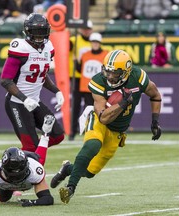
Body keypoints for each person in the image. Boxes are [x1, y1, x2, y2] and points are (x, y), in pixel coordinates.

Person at [50, 50, 162, 204]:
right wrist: (123, 102)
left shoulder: (138, 77)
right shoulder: (98, 81)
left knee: (90, 172)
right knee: (92, 145)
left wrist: (155, 121)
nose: (109, 76)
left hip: (117, 131)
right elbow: (103, 118)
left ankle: (67, 169)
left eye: (114, 73)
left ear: (126, 72)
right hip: (99, 120)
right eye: (107, 71)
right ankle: (71, 188)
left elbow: (155, 95)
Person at [0, 13, 65, 153]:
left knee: (58, 135)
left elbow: (41, 75)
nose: (40, 37)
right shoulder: (20, 47)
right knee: (31, 147)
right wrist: (24, 99)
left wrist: (56, 91)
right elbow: (5, 80)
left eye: (42, 32)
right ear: (28, 32)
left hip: (34, 101)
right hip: (16, 103)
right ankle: (16, 163)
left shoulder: (48, 48)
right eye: (36, 33)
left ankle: (27, 156)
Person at [0, 115, 55, 207]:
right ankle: (2, 188)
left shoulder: (33, 168)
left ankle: (45, 134)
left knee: (39, 160)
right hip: (7, 182)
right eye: (13, 175)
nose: (16, 179)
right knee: (3, 199)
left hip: (30, 160)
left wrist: (32, 202)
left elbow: (47, 198)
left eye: (18, 174)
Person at [68, 20, 93, 141]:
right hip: (76, 77)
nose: (86, 31)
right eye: (84, 29)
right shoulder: (74, 40)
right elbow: (66, 47)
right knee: (76, 105)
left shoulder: (93, 43)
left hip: (88, 78)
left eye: (88, 29)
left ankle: (87, 130)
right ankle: (72, 131)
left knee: (89, 106)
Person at [75, 32, 109, 116]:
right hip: (87, 88)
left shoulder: (106, 55)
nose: (95, 44)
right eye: (93, 42)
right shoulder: (85, 55)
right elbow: (80, 70)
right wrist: (75, 61)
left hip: (100, 87)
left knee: (101, 109)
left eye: (97, 42)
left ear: (100, 43)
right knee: (88, 109)